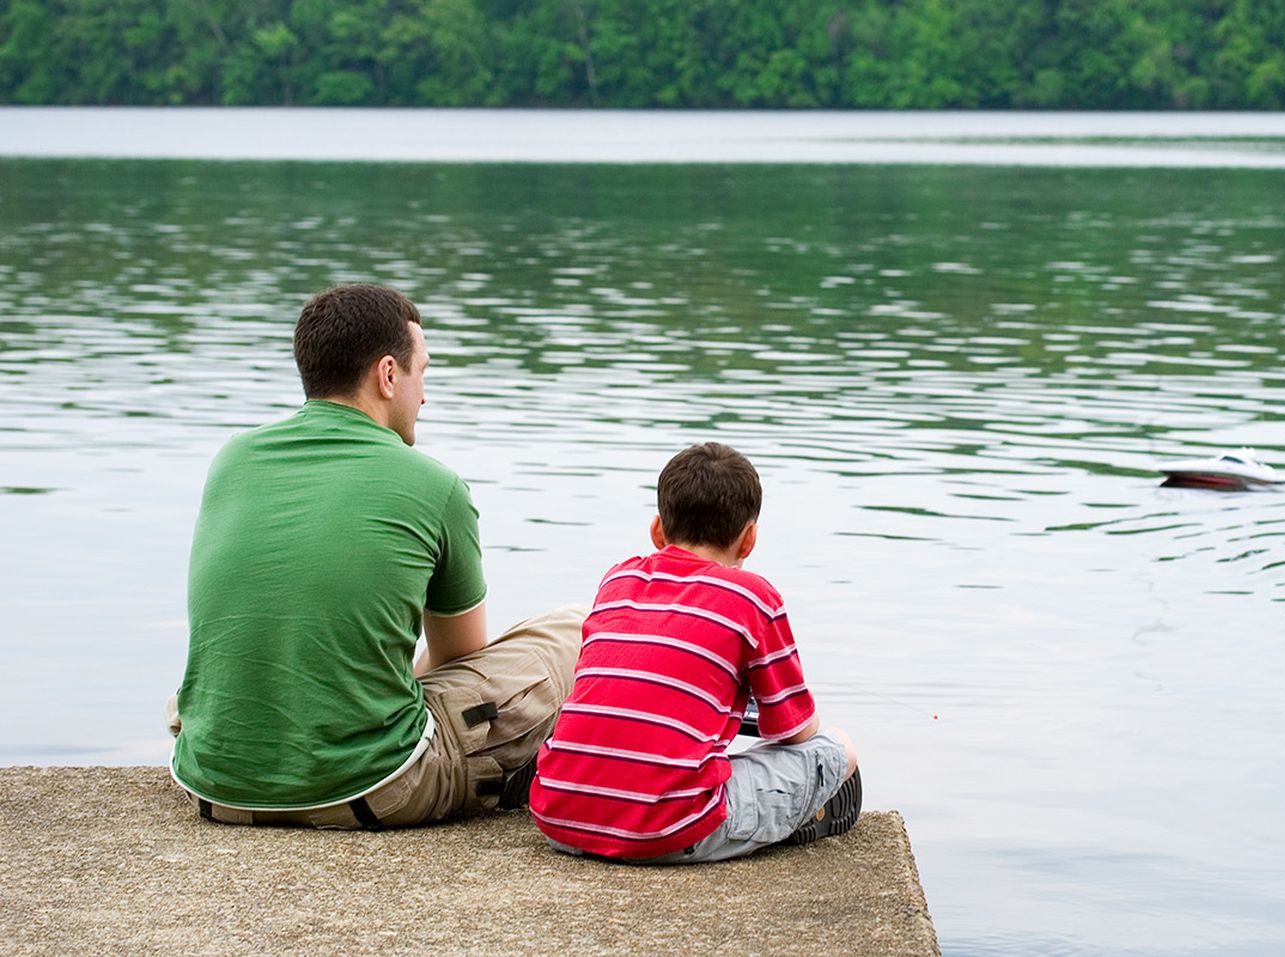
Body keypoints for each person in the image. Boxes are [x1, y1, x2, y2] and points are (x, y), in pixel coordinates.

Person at [168, 283, 580, 829]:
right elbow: (460, 653)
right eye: (422, 373)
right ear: (388, 375)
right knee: (572, 629)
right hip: (376, 785)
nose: (425, 395)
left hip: (212, 783)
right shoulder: (435, 485)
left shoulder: (233, 459)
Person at [527, 441, 861, 862]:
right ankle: (791, 814)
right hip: (671, 831)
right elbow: (793, 731)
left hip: (559, 819)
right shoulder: (753, 596)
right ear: (749, 539)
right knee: (836, 749)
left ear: (658, 531)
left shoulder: (617, 581)